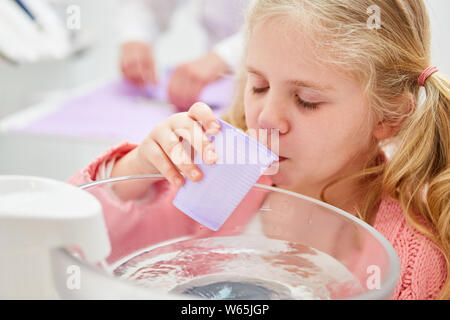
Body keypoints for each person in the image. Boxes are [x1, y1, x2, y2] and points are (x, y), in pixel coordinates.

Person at [70, 0, 449, 299]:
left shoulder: (410, 263)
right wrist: (135, 171)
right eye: (259, 86)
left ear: (390, 114)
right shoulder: (218, 180)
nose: (267, 117)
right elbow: (72, 241)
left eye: (306, 100)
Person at [118, 0, 246, 111]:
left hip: (249, 66)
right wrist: (136, 34)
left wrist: (225, 56)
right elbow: (151, 6)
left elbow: (265, 15)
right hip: (215, 93)